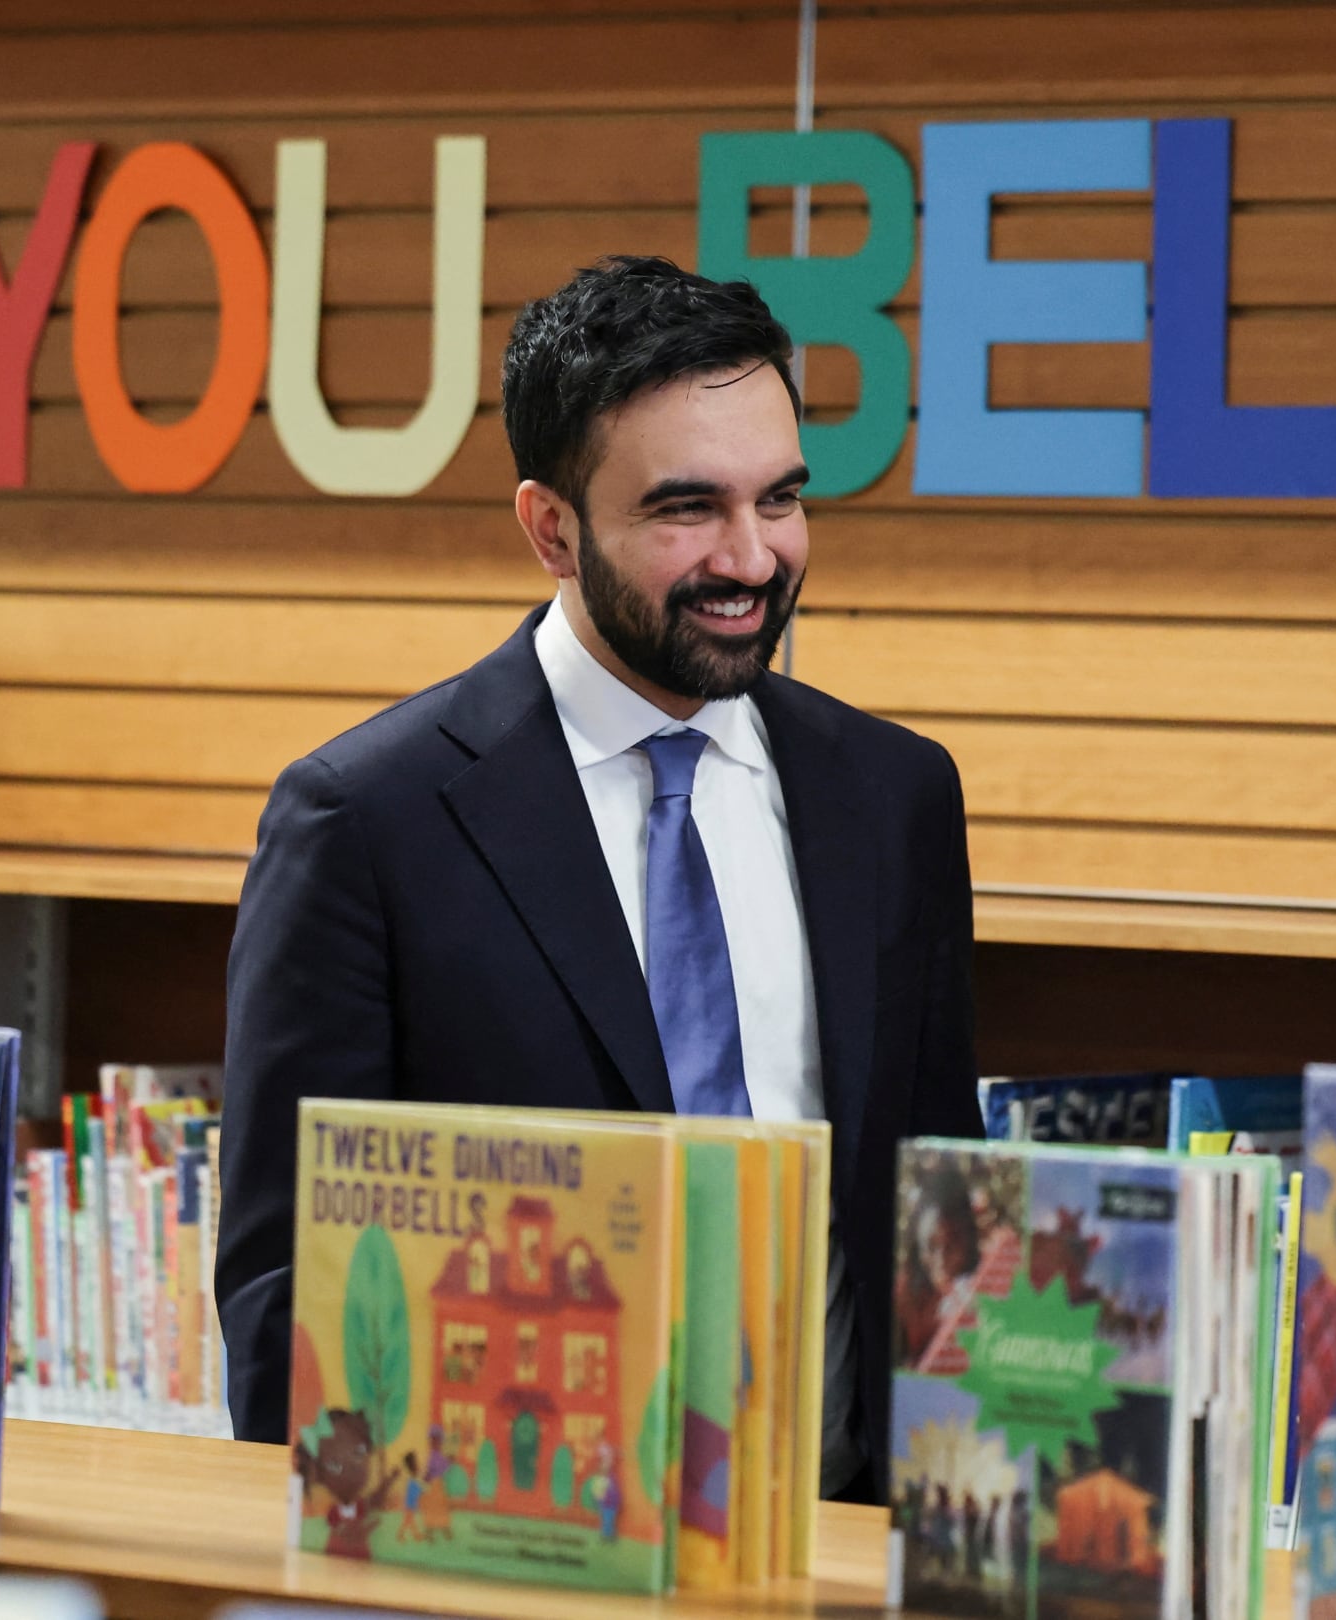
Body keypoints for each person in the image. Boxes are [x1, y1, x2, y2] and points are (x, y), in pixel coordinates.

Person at [216, 255, 982, 1503]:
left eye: (780, 499)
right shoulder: (365, 821)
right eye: (687, 511)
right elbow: (289, 1299)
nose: (752, 558)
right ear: (550, 528)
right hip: (505, 1562)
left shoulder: (894, 797)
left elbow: (943, 1222)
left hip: (834, 1551)